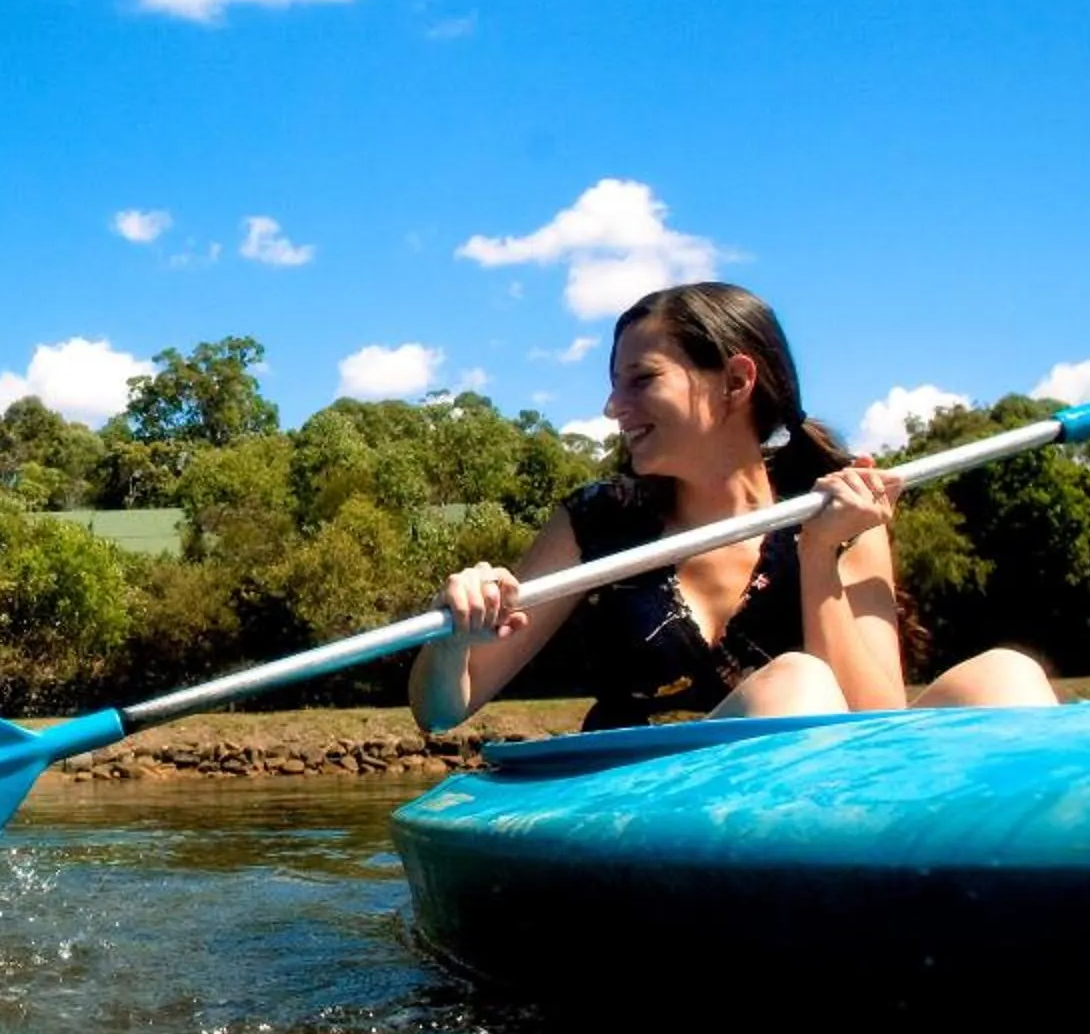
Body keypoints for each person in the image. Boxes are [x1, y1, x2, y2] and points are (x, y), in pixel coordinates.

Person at [411, 282, 1054, 736]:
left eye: (641, 380)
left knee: (1007, 678)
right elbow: (441, 712)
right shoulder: (596, 519)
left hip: (828, 794)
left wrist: (820, 553)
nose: (614, 408)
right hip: (643, 803)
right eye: (613, 384)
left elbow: (873, 725)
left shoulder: (839, 510)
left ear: (737, 382)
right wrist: (453, 642)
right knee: (795, 687)